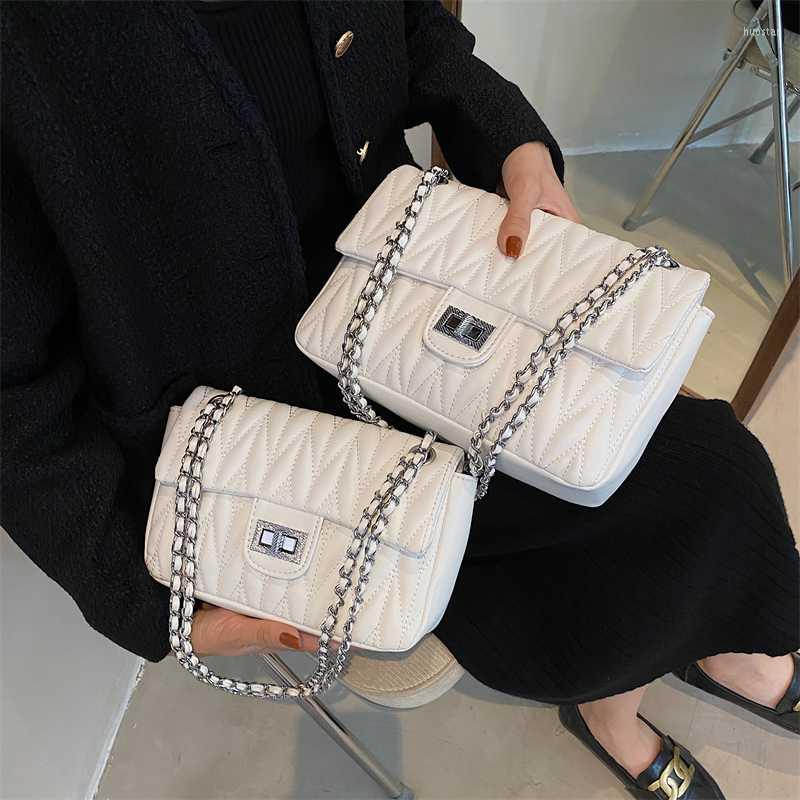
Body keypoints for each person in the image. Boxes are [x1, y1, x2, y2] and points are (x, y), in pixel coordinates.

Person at [2, 3, 797, 799]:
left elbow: (413, 26)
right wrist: (138, 595)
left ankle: (725, 655)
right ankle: (618, 712)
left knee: (714, 469)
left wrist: (509, 139)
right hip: (266, 427)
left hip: (411, 290)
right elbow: (12, 395)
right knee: (658, 520)